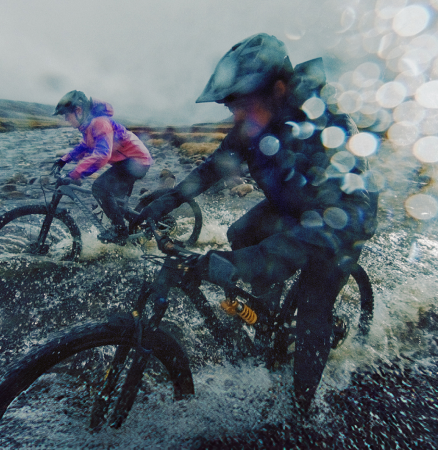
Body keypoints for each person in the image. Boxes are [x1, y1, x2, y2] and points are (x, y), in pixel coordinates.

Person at [133, 33, 378, 413]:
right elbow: (213, 167)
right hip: (292, 206)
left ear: (279, 90)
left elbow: (344, 217)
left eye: (242, 105)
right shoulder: (252, 125)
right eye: (232, 108)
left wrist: (249, 261)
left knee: (314, 301)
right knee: (240, 233)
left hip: (340, 224)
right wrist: (166, 200)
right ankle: (265, 321)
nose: (237, 117)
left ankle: (299, 414)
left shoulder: (333, 130)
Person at [52, 90, 153, 245]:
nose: (66, 119)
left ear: (78, 111)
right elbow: (84, 146)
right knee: (118, 205)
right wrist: (62, 160)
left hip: (136, 162)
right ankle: (135, 233)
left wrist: (75, 174)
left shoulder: (100, 123)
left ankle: (120, 231)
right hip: (126, 162)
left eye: (67, 115)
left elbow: (102, 154)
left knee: (99, 188)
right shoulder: (88, 127)